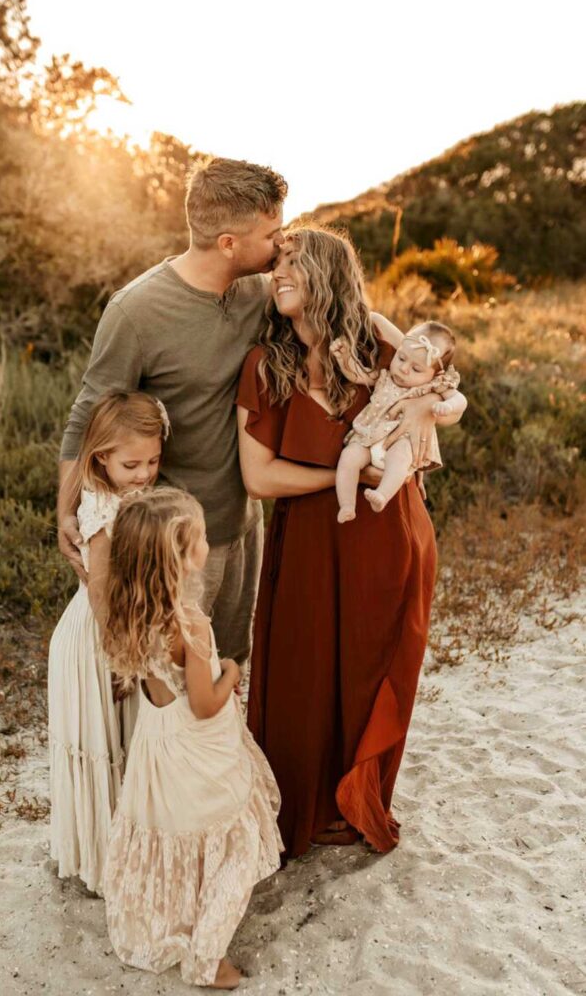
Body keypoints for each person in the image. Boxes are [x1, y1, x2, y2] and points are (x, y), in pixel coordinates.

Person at [236, 226, 466, 858]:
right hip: (312, 538)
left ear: (330, 272)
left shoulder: (376, 336)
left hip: (391, 531)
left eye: (295, 262)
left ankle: (359, 800)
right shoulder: (265, 363)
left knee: (375, 668)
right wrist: (344, 473)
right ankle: (301, 811)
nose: (279, 272)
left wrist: (421, 423)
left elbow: (441, 389)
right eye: (276, 262)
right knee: (303, 677)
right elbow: (257, 478)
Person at [57, 156, 288, 667]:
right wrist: (65, 511)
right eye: (273, 233)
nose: (281, 243)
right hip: (173, 540)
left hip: (246, 522)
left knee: (230, 662)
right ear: (228, 243)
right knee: (172, 672)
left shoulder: (262, 292)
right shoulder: (135, 311)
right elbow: (88, 416)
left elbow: (333, 308)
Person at [101, 488, 282, 990]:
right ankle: (207, 959)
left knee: (175, 830)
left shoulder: (129, 613)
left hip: (159, 742)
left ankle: (170, 920)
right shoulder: (190, 624)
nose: (207, 542)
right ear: (180, 558)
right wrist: (229, 671)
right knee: (229, 840)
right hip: (198, 744)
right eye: (200, 536)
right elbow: (204, 704)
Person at [48, 391, 169, 895]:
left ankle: (132, 845)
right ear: (101, 458)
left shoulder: (134, 494)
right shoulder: (100, 502)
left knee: (130, 738)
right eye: (132, 464)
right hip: (99, 636)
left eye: (154, 461)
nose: (144, 473)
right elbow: (99, 586)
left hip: (128, 630)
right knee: (105, 741)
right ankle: (106, 859)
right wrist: (118, 657)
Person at [331, 321, 466, 520]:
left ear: (435, 374)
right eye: (401, 358)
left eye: (416, 369)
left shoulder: (434, 386)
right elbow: (360, 375)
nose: (403, 369)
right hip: (368, 437)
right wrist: (345, 360)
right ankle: (347, 505)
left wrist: (447, 406)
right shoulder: (385, 376)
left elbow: (460, 399)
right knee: (349, 457)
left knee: (400, 457)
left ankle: (382, 495)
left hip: (401, 440)